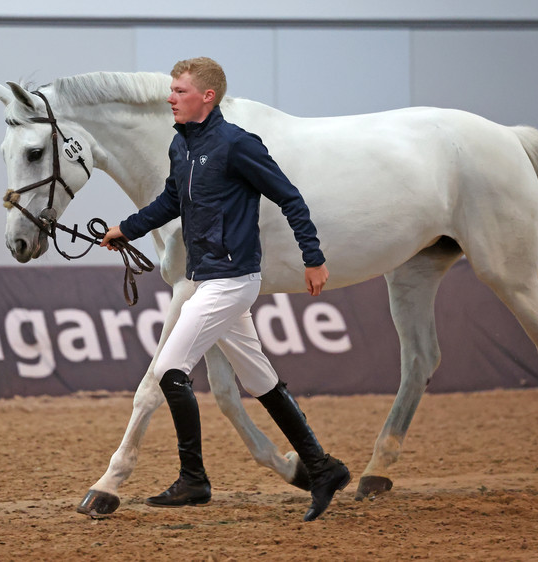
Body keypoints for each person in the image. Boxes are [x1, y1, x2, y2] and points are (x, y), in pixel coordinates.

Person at [100, 57, 350, 522]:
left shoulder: (237, 144)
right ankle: (322, 466)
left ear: (206, 97)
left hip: (231, 280)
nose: (170, 98)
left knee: (171, 371)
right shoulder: (182, 146)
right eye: (171, 91)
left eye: (179, 91)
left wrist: (312, 257)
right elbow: (172, 200)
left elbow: (289, 197)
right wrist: (127, 229)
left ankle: (193, 479)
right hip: (207, 277)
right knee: (261, 382)